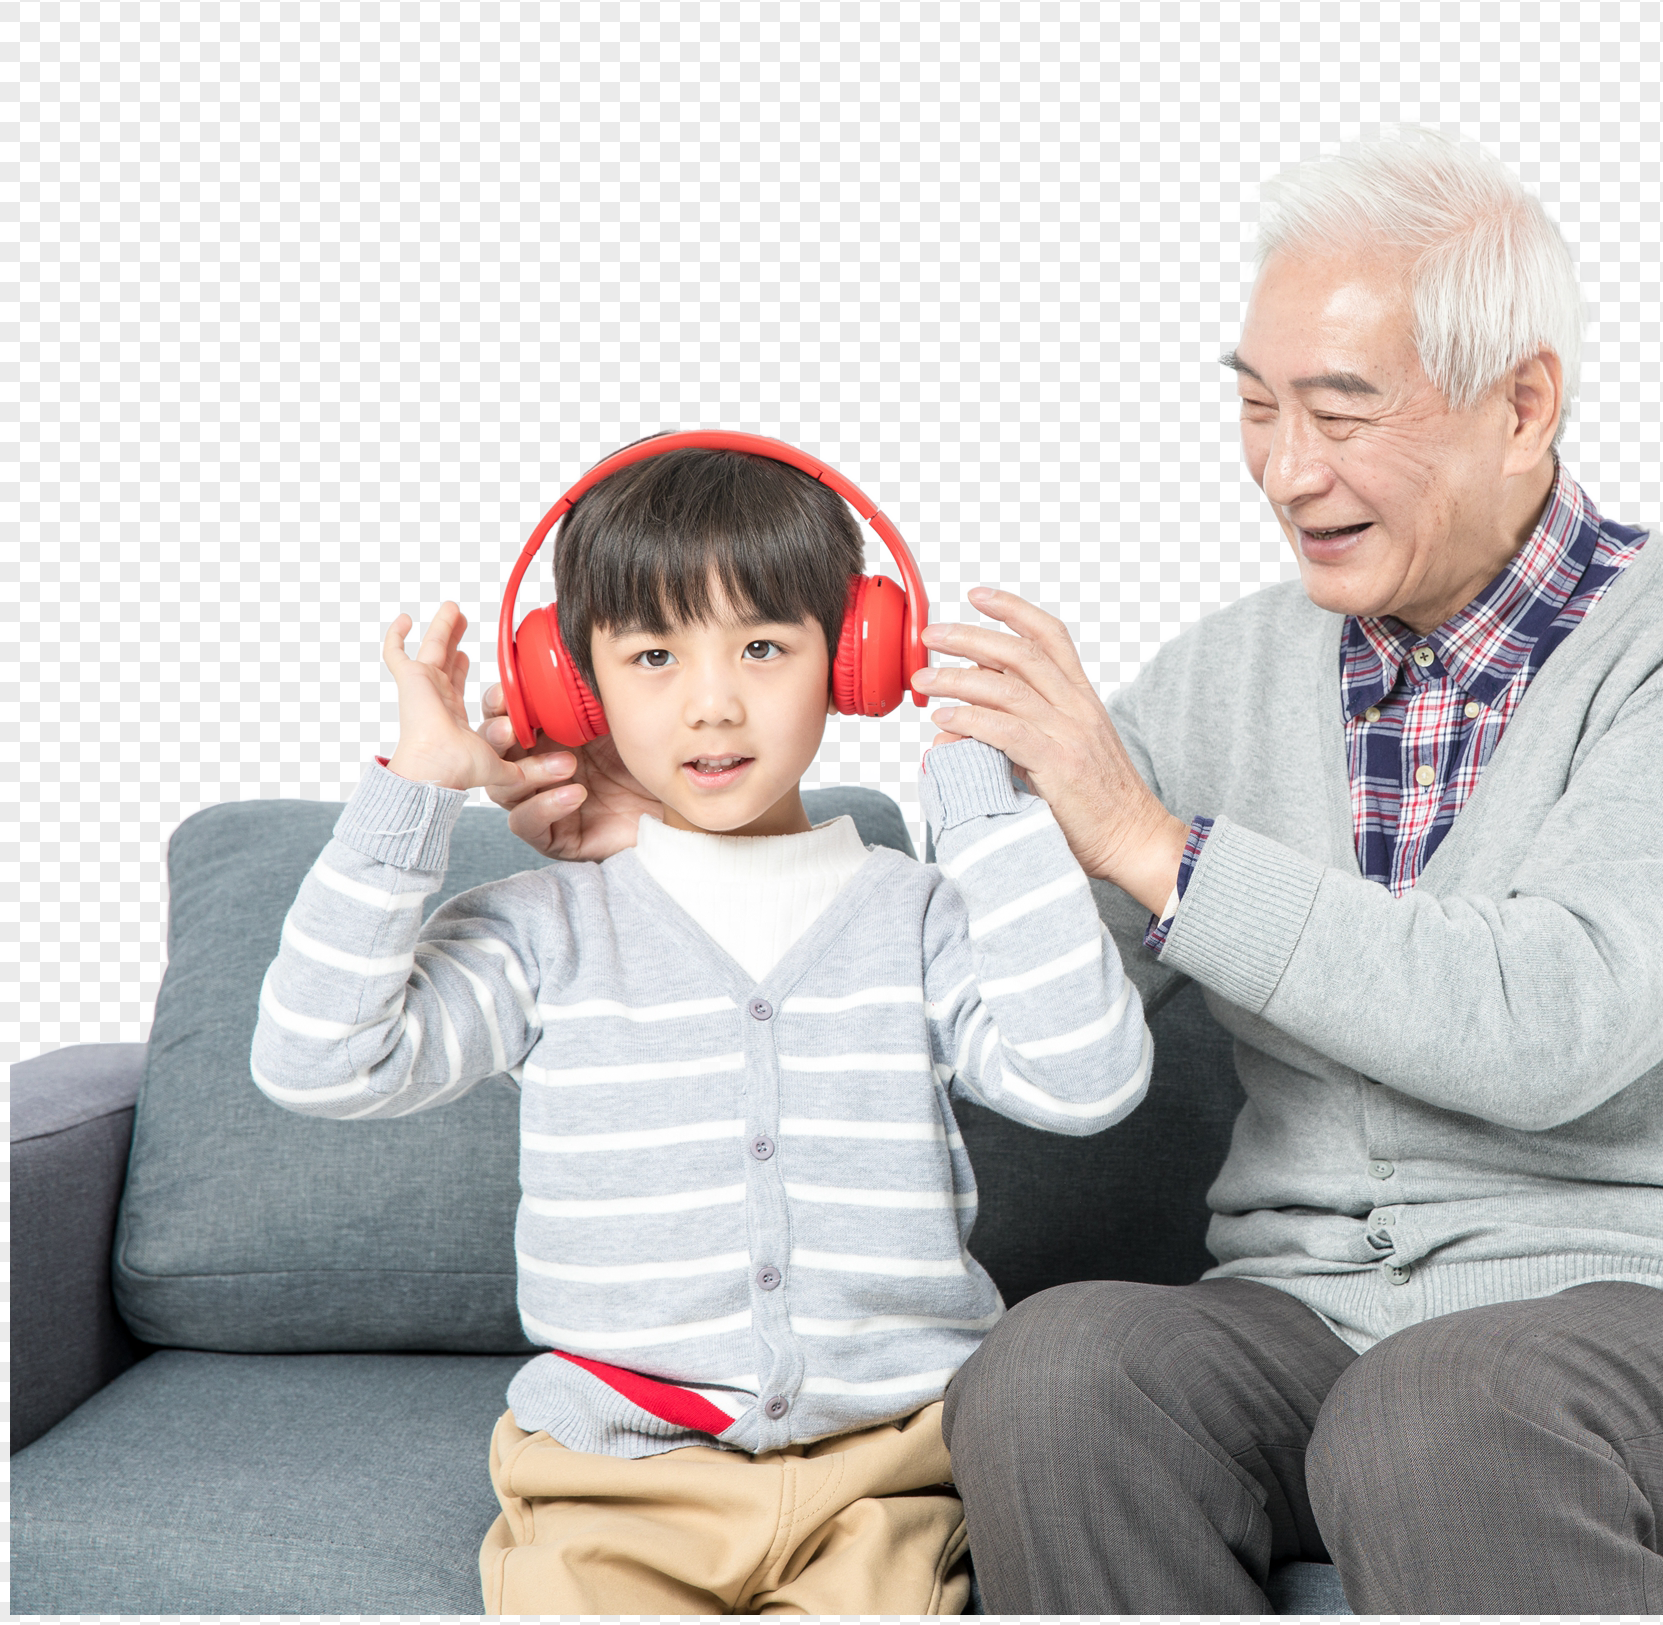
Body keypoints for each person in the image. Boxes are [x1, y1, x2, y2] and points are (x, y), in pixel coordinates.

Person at [485, 129, 1663, 1614]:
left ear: (1522, 402)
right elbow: (958, 971)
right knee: (1056, 1369)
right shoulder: (1227, 668)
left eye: (1341, 410)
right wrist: (666, 837)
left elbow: (1550, 1024)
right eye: (1257, 404)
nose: (1287, 469)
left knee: (1432, 1414)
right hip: (1304, 1321)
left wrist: (1155, 839)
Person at [250, 441, 1152, 1615]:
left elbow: (1086, 1080)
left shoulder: (919, 914)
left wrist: (978, 793)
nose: (712, 701)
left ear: (858, 660)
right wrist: (416, 783)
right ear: (576, 688)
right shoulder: (547, 930)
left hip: (884, 1482)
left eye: (765, 647)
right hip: (611, 1485)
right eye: (654, 655)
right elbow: (319, 1058)